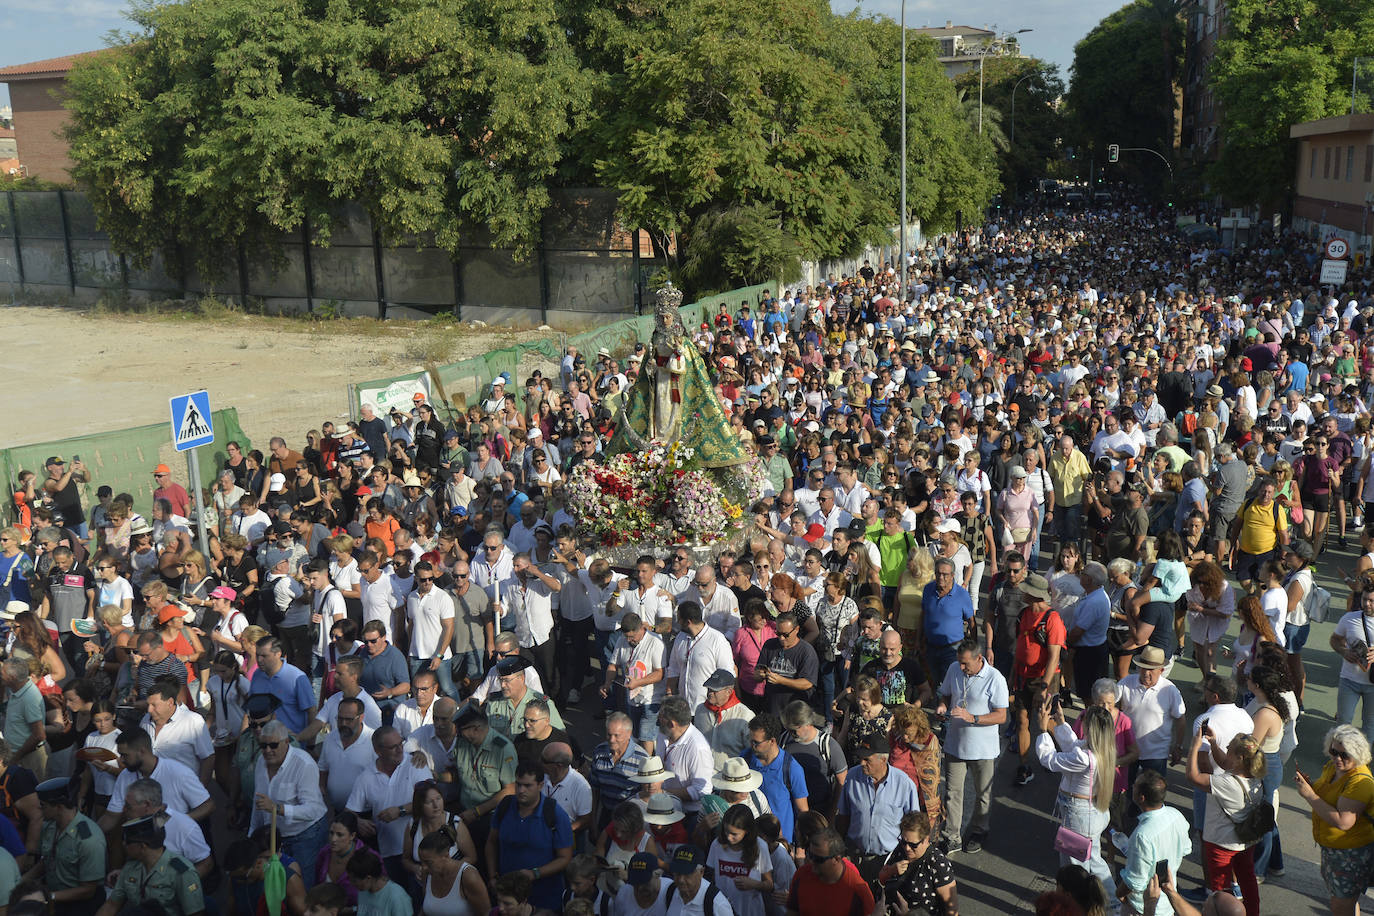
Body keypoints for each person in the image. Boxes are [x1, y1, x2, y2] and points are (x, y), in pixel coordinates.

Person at [1035, 702, 1118, 900]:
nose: (1083, 726)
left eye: (1085, 723)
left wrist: (1043, 730)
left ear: (1091, 729)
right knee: (1095, 863)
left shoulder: (1085, 758)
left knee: (1075, 869)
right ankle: (1114, 905)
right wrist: (1061, 723)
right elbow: (1074, 746)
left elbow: (1049, 759)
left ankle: (1079, 906)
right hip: (1091, 813)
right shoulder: (1102, 751)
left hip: (1078, 817)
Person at [935, 636, 1007, 854]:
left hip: (983, 749)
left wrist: (972, 718)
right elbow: (946, 694)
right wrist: (941, 707)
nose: (962, 667)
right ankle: (952, 836)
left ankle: (979, 830)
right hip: (955, 745)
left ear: (979, 658)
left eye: (966, 663)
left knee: (982, 793)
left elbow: (1001, 715)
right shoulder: (954, 668)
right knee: (952, 793)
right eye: (960, 662)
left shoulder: (995, 678)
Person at [1294, 724, 1374, 916]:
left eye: (1344, 754)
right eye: (1333, 751)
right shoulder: (1332, 767)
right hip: (1334, 850)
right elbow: (1329, 796)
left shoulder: (1360, 782)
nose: (1337, 758)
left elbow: (1344, 821)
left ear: (1357, 753)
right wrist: (1311, 787)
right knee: (1345, 900)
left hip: (1349, 855)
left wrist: (1309, 796)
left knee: (1341, 906)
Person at [1185, 725, 1265, 916]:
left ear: (1240, 759)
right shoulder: (1255, 777)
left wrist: (1194, 747)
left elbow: (1193, 777)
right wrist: (1213, 744)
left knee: (1220, 891)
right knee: (1247, 880)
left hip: (1221, 843)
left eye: (1229, 750)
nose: (1226, 753)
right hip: (1245, 841)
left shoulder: (1226, 783)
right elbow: (1227, 765)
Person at [249, 719, 330, 877]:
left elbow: (312, 810)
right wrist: (252, 834)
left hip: (305, 835)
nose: (267, 750)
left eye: (273, 745)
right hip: (276, 837)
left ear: (286, 742)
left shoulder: (303, 764)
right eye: (263, 745)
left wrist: (277, 809)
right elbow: (257, 803)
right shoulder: (261, 761)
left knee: (301, 882)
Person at [835, 734, 921, 880]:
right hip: (854, 855)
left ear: (883, 759)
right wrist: (839, 847)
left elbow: (914, 826)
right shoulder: (852, 777)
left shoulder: (904, 784)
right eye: (860, 758)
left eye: (867, 759)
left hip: (887, 860)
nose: (861, 763)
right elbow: (844, 815)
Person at [1115, 769, 1191, 916]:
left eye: (1135, 786)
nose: (1132, 787)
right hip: (1168, 902)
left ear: (1141, 798)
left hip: (1143, 907)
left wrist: (1119, 893)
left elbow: (1135, 881)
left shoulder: (1142, 835)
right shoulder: (1176, 815)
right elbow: (1186, 848)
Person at [96, 815, 205, 916]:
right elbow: (111, 905)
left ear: (142, 846)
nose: (123, 844)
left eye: (127, 842)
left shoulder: (182, 872)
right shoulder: (130, 868)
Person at [31, 777, 105, 916]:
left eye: (43, 805)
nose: (39, 809)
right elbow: (46, 860)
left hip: (80, 905)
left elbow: (88, 890)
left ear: (58, 807)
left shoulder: (88, 839)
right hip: (56, 897)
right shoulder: (50, 826)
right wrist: (20, 881)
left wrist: (48, 897)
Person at [603, 613, 667, 752]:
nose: (629, 640)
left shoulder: (655, 642)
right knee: (636, 736)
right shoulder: (622, 640)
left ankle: (647, 769)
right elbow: (613, 665)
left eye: (632, 637)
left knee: (646, 737)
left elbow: (659, 673)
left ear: (641, 629)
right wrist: (607, 684)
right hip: (632, 698)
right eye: (626, 636)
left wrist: (638, 682)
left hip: (652, 700)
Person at [876, 811, 957, 916]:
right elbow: (882, 880)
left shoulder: (938, 864)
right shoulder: (900, 851)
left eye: (913, 845)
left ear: (926, 839)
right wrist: (891, 871)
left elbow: (952, 908)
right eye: (904, 842)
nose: (907, 848)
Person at [742, 714, 808, 842]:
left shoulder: (791, 768)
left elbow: (802, 811)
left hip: (780, 843)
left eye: (756, 742)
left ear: (772, 741)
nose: (752, 745)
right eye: (750, 740)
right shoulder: (745, 758)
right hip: (750, 840)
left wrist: (800, 847)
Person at [784, 827, 873, 916]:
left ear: (836, 859)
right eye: (810, 855)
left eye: (818, 859)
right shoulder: (802, 875)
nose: (811, 861)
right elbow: (792, 912)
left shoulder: (858, 891)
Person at [655, 697, 715, 822]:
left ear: (672, 723)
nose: (657, 718)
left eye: (661, 716)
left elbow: (703, 790)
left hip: (688, 816)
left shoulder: (698, 748)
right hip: (664, 807)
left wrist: (664, 793)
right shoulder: (663, 733)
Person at [706, 805, 773, 916]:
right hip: (723, 911)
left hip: (750, 910)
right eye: (726, 831)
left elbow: (770, 885)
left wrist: (754, 884)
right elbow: (713, 877)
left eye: (734, 834)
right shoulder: (717, 844)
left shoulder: (760, 846)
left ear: (747, 831)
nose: (728, 837)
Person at [921, 558, 974, 681]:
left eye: (945, 574)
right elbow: (923, 615)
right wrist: (920, 639)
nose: (940, 577)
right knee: (932, 681)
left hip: (952, 650)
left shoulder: (962, 594)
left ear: (952, 576)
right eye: (938, 573)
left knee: (950, 684)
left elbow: (971, 621)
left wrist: (972, 647)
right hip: (930, 646)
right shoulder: (928, 589)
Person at [420, 826, 491, 916]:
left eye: (428, 862)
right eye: (421, 862)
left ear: (446, 856)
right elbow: (426, 909)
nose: (423, 867)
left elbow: (486, 913)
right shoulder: (427, 874)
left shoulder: (468, 876)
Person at [666, 845, 737, 916]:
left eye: (687, 873)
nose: (681, 880)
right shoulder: (669, 892)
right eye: (677, 873)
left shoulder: (717, 904)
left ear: (701, 872)